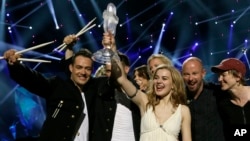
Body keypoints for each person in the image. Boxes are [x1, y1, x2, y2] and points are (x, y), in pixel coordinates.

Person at [3, 48, 104, 141]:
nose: (83, 72)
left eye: (88, 69)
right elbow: (33, 79)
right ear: (71, 68)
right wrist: (15, 66)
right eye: (79, 67)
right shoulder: (58, 86)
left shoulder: (96, 93)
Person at [64, 32, 141, 141]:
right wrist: (69, 48)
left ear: (127, 69)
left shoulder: (138, 92)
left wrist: (111, 48)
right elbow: (75, 76)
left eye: (114, 69)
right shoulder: (100, 87)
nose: (111, 74)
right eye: (108, 71)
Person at [111, 55, 192, 140]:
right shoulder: (145, 102)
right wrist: (113, 52)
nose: (159, 81)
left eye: (164, 78)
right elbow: (121, 79)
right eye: (156, 78)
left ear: (173, 85)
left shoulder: (183, 110)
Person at [182, 57, 226, 141]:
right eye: (186, 74)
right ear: (182, 74)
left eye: (194, 73)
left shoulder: (217, 92)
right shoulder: (178, 97)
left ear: (203, 73)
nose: (190, 78)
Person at [211, 58, 250, 141]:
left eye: (223, 75)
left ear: (238, 76)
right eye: (219, 75)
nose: (219, 79)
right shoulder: (223, 102)